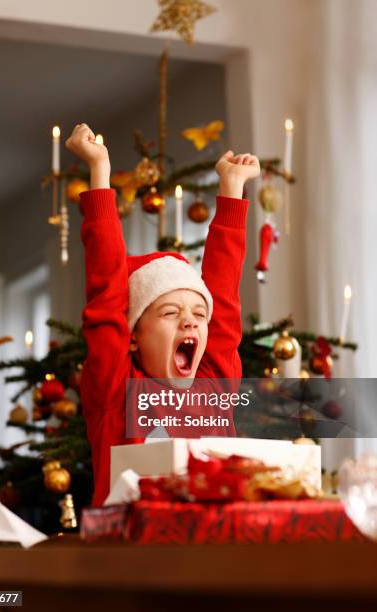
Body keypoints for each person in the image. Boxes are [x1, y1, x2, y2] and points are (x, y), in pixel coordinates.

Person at [66, 123, 260, 506]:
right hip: (134, 557)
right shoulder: (117, 389)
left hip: (211, 550)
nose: (190, 321)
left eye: (197, 315)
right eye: (171, 312)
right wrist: (100, 173)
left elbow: (223, 295)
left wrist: (232, 187)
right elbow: (106, 294)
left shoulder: (214, 387)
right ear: (132, 333)